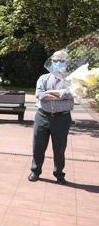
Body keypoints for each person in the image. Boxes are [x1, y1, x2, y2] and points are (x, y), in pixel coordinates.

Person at [28, 50, 74, 185]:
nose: (57, 63)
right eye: (55, 61)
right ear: (51, 62)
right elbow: (40, 95)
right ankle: (35, 171)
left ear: (67, 62)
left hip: (62, 118)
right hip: (42, 116)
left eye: (61, 61)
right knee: (38, 146)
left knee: (59, 148)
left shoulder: (71, 80)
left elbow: (70, 94)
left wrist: (51, 93)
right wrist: (61, 95)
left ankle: (59, 174)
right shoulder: (43, 78)